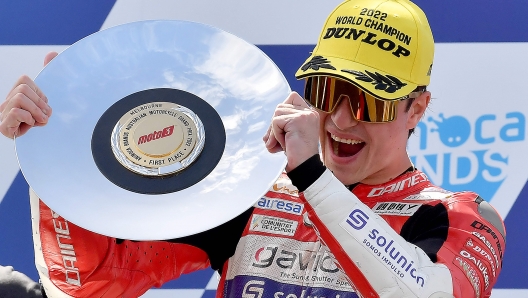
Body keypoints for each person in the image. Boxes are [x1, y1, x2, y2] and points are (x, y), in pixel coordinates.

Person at [0, 0, 506, 297]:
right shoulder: (252, 192)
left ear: (417, 108)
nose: (342, 120)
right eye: (329, 92)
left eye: (369, 101)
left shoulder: (458, 216)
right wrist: (58, 146)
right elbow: (87, 284)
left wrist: (314, 178)